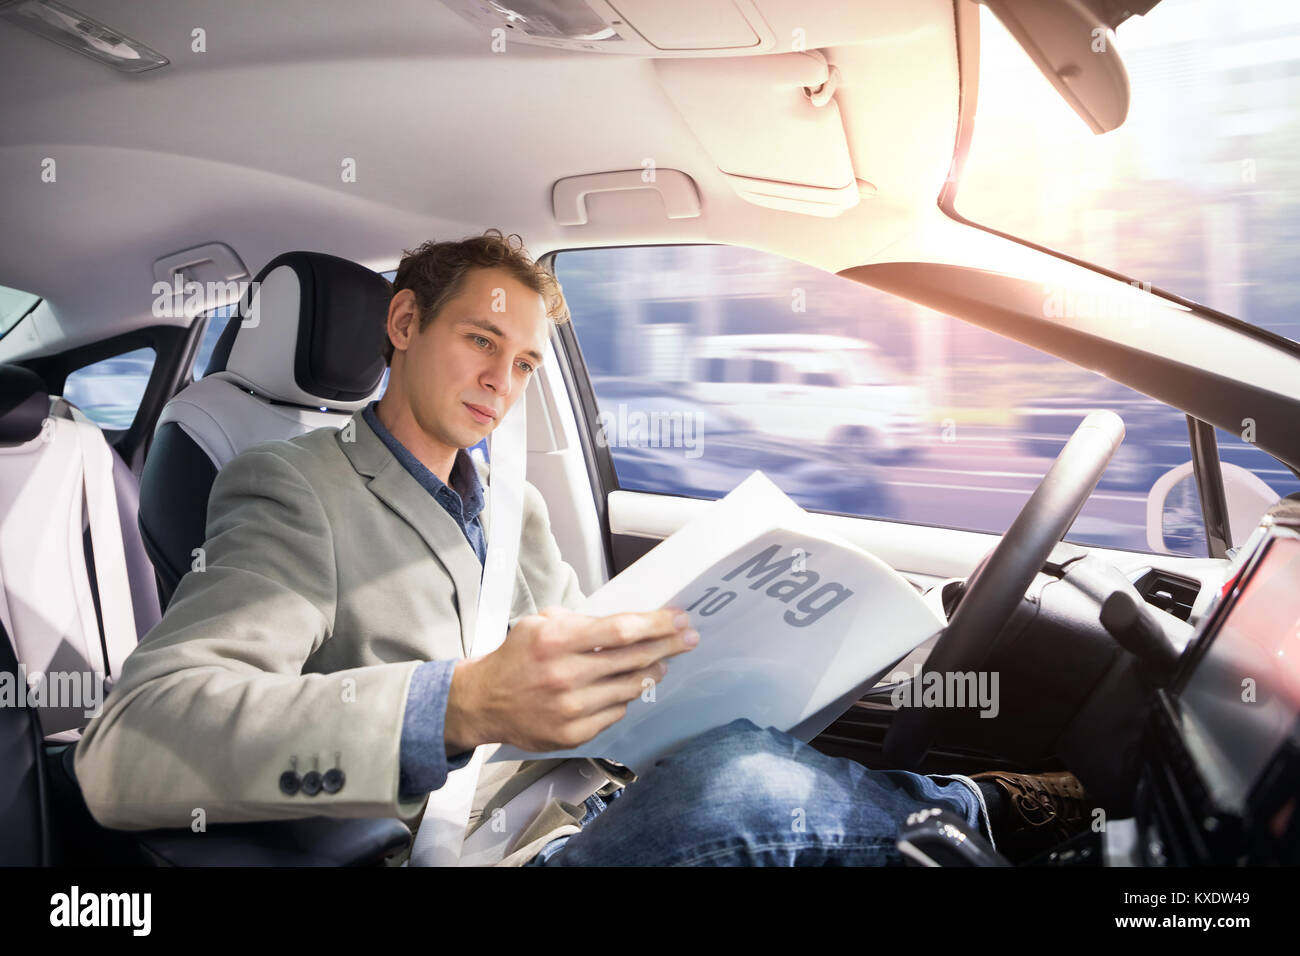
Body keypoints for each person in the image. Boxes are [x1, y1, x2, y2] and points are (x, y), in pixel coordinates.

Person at [74, 229, 1089, 866]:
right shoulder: (293, 485)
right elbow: (131, 743)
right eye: (480, 340)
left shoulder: (513, 507)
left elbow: (588, 687)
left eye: (520, 362)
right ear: (402, 321)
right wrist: (457, 703)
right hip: (451, 846)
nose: (500, 380)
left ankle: (973, 819)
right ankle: (982, 815)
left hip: (586, 804)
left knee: (742, 752)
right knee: (741, 783)